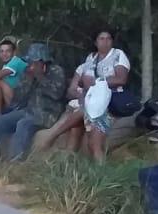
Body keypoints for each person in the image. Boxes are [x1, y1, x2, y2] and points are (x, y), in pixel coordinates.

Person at [36, 30, 131, 163]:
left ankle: (52, 138)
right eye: (101, 38)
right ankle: (69, 164)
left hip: (109, 99)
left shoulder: (118, 55)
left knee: (93, 140)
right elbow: (76, 87)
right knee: (77, 127)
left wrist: (97, 82)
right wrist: (84, 92)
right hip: (93, 100)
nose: (105, 42)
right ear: (95, 42)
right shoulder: (91, 59)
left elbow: (121, 79)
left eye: (108, 38)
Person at [0, 43, 66, 164]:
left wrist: (40, 76)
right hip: (28, 110)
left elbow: (57, 94)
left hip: (46, 114)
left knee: (23, 124)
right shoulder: (29, 72)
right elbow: (19, 96)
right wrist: (29, 78)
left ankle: (16, 161)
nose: (31, 64)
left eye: (34, 62)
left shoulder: (56, 71)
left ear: (42, 61)